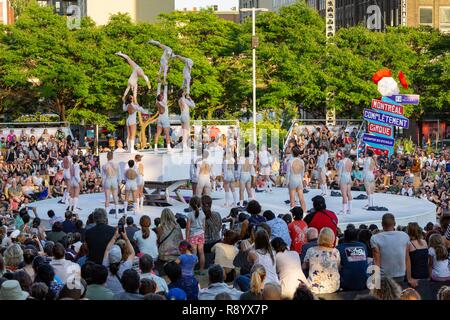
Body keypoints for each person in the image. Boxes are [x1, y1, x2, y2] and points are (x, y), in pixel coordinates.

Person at [370, 213, 415, 287]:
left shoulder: (375, 238)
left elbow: (376, 261)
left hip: (384, 277)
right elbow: (407, 258)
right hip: (400, 275)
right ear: (394, 223)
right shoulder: (404, 236)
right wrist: (409, 278)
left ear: (382, 224)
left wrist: (374, 281)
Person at [303, 227, 340, 294]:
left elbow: (304, 267)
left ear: (319, 237)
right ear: (332, 238)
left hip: (314, 288)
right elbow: (337, 266)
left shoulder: (311, 250)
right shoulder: (336, 252)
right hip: (333, 287)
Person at [103, 228, 135, 295]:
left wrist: (115, 237)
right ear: (120, 256)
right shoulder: (125, 267)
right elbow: (132, 253)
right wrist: (125, 237)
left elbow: (107, 250)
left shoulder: (105, 266)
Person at [186, 196, 205, 273]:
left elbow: (188, 228)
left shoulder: (190, 214)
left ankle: (192, 270)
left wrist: (187, 238)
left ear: (190, 204)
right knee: (201, 252)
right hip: (201, 234)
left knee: (193, 253)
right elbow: (204, 226)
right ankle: (201, 270)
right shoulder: (203, 214)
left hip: (193, 235)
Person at [284, 146, 306, 212]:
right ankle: (304, 213)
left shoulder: (290, 161)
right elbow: (302, 173)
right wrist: (301, 180)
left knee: (292, 199)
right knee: (301, 198)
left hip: (292, 179)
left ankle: (293, 216)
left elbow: (288, 173)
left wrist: (286, 182)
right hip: (299, 179)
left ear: (292, 152)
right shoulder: (302, 161)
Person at [153, 83, 172, 152]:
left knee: (158, 133)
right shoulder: (164, 102)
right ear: (161, 98)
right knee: (167, 133)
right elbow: (165, 93)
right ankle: (169, 147)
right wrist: (166, 85)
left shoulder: (157, 102)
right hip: (165, 118)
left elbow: (158, 93)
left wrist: (158, 84)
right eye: (162, 96)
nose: (163, 96)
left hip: (159, 118)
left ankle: (155, 147)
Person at [101, 151, 120, 217]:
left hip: (107, 181)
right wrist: (119, 182)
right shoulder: (116, 165)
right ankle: (117, 214)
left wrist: (103, 185)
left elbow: (103, 177)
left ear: (107, 157)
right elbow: (119, 175)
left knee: (107, 199)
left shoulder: (104, 166)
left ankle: (106, 215)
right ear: (112, 156)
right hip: (114, 181)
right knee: (115, 197)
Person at [337, 150, 353, 214]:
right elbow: (350, 171)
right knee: (348, 193)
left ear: (343, 154)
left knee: (344, 194)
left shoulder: (342, 161)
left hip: (343, 177)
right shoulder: (350, 161)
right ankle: (350, 209)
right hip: (349, 177)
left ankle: (344, 211)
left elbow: (340, 172)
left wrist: (338, 180)